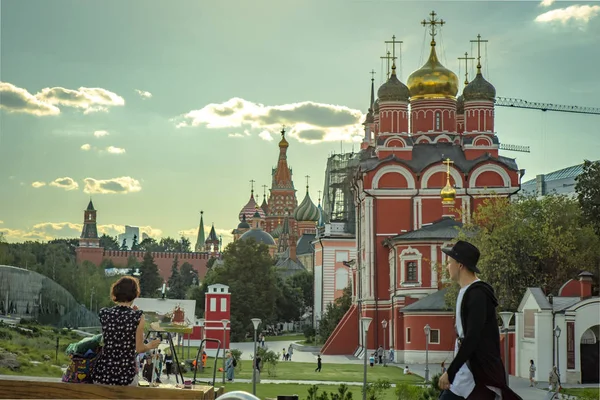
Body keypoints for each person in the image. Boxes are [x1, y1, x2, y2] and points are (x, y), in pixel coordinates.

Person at [438, 241, 522, 400]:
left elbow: (472, 337)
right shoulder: (466, 292)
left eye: (449, 263)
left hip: (478, 375)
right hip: (466, 375)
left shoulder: (478, 295)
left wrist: (450, 372)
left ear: (460, 265)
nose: (447, 267)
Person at [92, 276, 161, 386]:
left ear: (116, 291)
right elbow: (139, 348)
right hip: (125, 375)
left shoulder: (104, 313)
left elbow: (114, 332)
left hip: (102, 373)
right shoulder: (138, 317)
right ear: (134, 294)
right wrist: (150, 345)